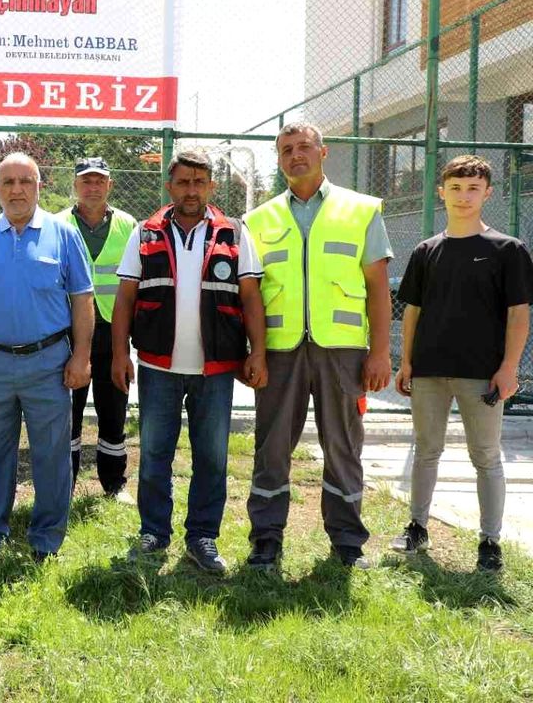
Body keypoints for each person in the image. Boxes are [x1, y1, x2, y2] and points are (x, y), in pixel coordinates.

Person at [244, 122, 393, 571]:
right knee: (271, 448)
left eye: (304, 146)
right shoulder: (259, 219)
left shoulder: (361, 210)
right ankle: (266, 541)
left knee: (343, 446)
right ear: (279, 159)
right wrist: (254, 351)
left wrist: (380, 352)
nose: (296, 155)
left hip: (342, 351)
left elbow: (378, 288)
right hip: (280, 351)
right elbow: (248, 293)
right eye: (286, 149)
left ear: (323, 152)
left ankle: (347, 543)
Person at [110, 150, 267, 574]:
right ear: (170, 186)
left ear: (212, 187)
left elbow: (251, 296)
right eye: (183, 182)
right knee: (155, 454)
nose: (191, 190)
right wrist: (120, 353)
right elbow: (125, 298)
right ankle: (154, 532)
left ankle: (202, 537)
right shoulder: (144, 233)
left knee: (212, 458)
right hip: (158, 368)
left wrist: (258, 351)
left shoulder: (234, 232)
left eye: (199, 182)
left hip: (216, 370)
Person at [391, 155, 532, 572]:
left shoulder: (508, 250)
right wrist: (407, 364)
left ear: (488, 193)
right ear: (442, 192)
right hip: (429, 371)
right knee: (426, 451)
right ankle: (417, 526)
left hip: (482, 375)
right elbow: (412, 310)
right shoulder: (426, 250)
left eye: (473, 188)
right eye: (455, 188)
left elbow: (518, 315)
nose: (464, 196)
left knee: (486, 455)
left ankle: (490, 542)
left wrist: (509, 368)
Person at [0, 153, 94, 561]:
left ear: (39, 186)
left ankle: (46, 538)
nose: (16, 190)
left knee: (51, 454)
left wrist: (81, 357)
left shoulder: (64, 234)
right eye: (8, 182)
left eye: (25, 182)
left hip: (48, 362)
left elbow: (82, 300)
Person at [55, 157, 138, 500]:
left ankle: (114, 483)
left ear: (110, 185)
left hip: (113, 332)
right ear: (75, 186)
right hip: (67, 333)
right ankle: (65, 483)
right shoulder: (56, 225)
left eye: (99, 181)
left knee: (113, 410)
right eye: (86, 181)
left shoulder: (128, 225)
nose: (92, 187)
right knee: (66, 414)